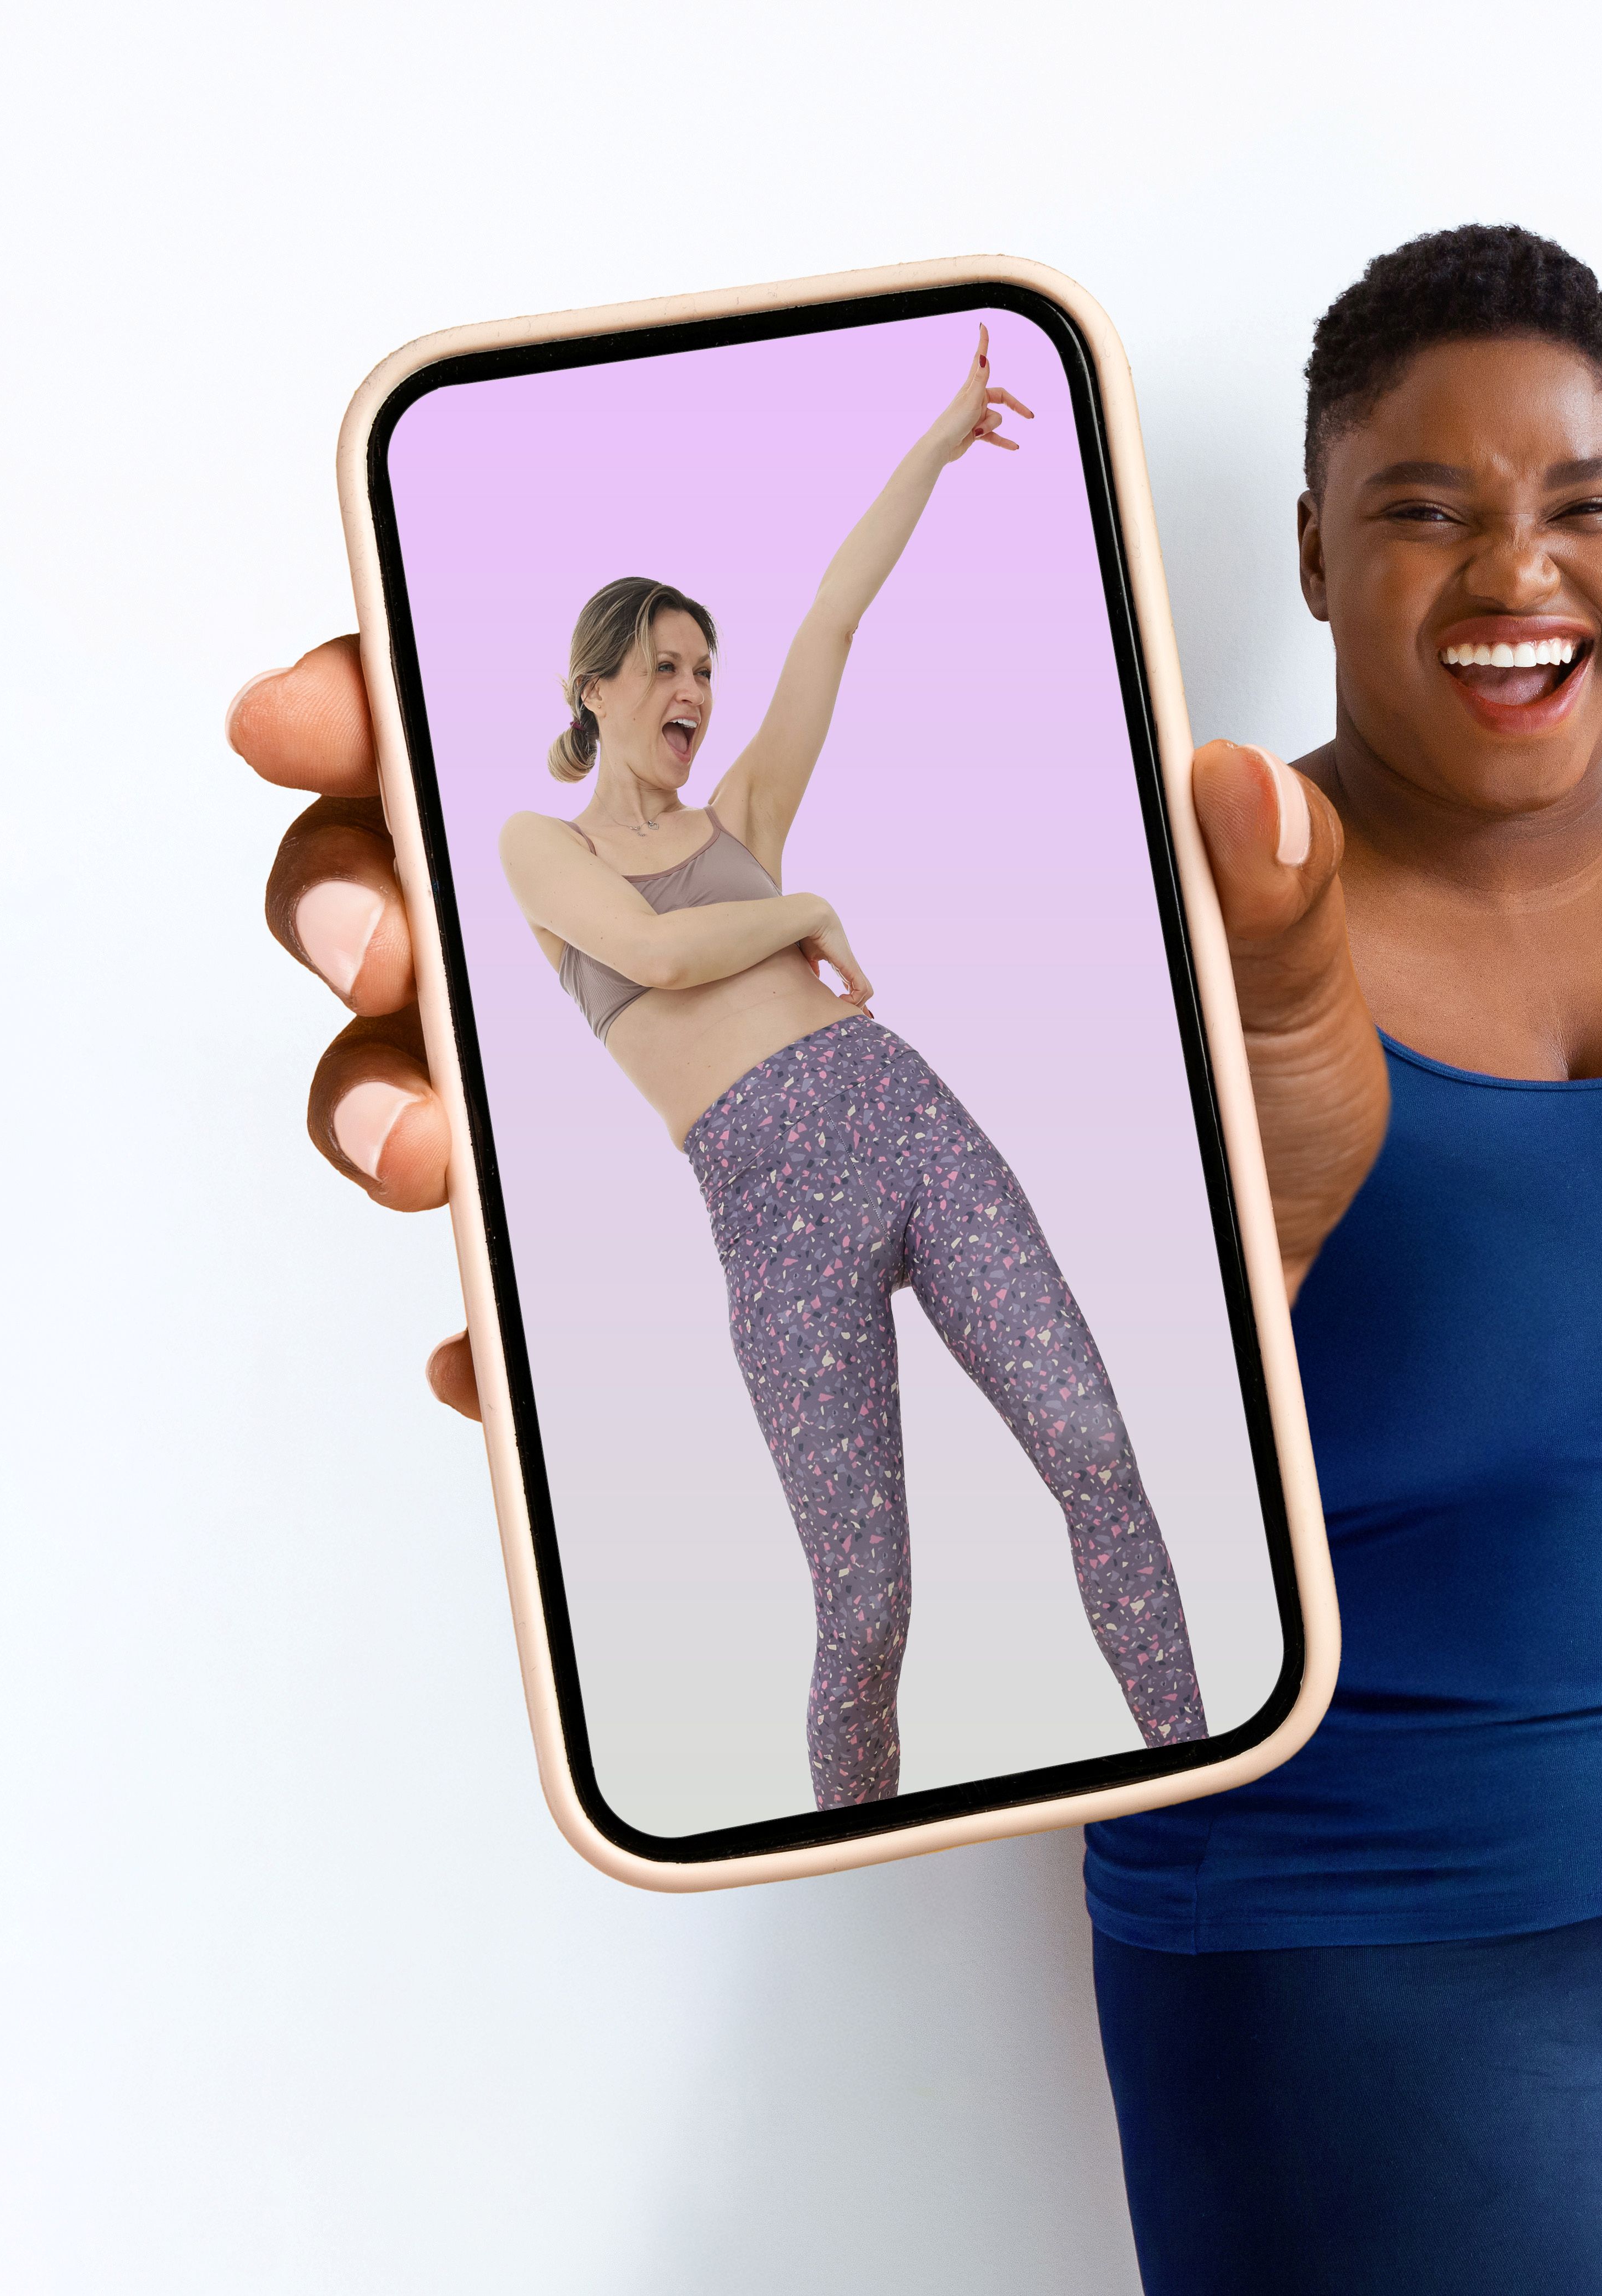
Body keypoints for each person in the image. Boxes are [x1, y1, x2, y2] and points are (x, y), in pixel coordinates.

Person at [236, 230, 1602, 2294]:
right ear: (1308, 550)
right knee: (879, 1576)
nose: (1517, 572)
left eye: (1586, 505)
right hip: (1351, 1939)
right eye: (1424, 510)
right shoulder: (1173, 920)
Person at [504, 326, 1204, 1805]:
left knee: (1091, 1442)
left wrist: (942, 445)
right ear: (597, 683)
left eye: (707, 665)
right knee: (868, 1601)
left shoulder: (745, 806)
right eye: (668, 665)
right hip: (766, 1209)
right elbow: (664, 953)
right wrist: (805, 908)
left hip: (899, 1114)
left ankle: (1204, 1760)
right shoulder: (540, 848)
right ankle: (855, 1853)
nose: (697, 687)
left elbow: (834, 610)